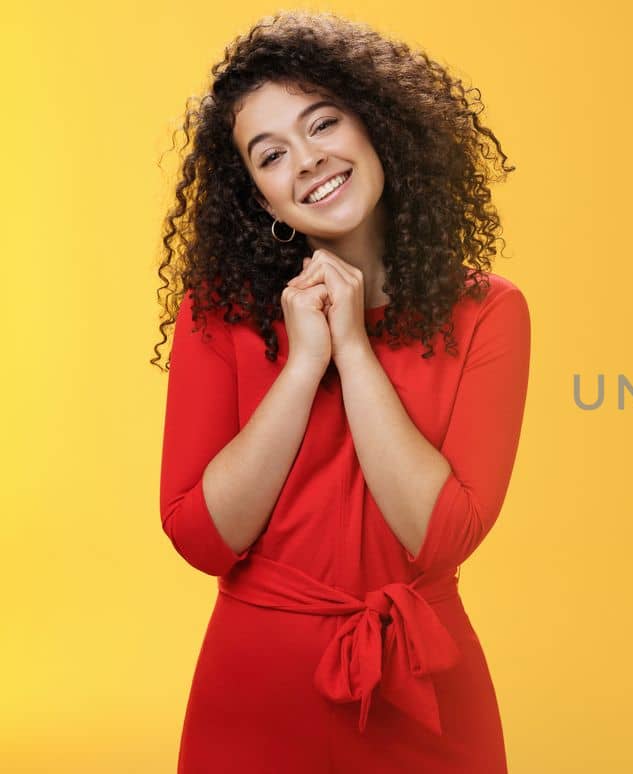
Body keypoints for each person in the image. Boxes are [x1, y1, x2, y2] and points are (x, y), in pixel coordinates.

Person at [150, 11, 528, 773]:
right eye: (270, 154)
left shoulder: (490, 311)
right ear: (260, 198)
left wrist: (353, 349)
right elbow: (200, 538)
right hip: (255, 695)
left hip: (424, 686)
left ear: (376, 126)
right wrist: (301, 365)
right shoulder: (215, 313)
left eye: (323, 123)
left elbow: (443, 535)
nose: (309, 161)